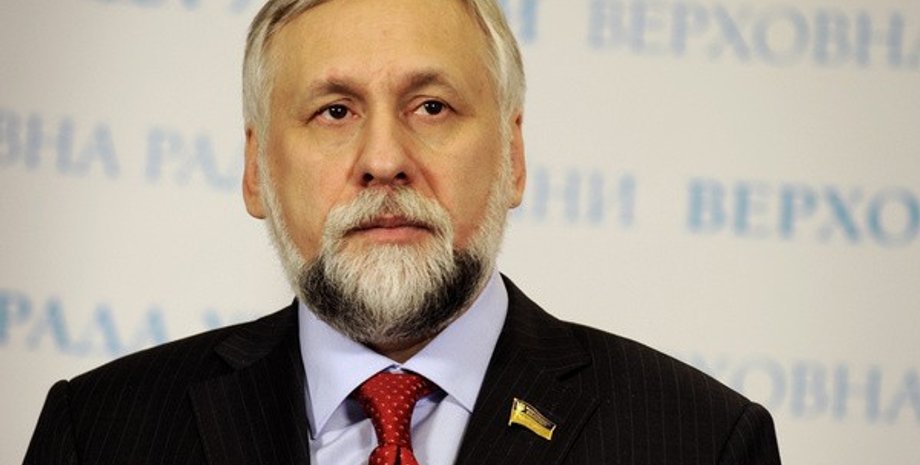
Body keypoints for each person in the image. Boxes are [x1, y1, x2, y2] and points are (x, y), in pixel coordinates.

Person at [24, 0, 781, 464]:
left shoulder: (699, 440)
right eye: (335, 111)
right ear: (256, 171)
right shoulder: (101, 432)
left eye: (431, 107)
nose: (384, 159)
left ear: (513, 157)